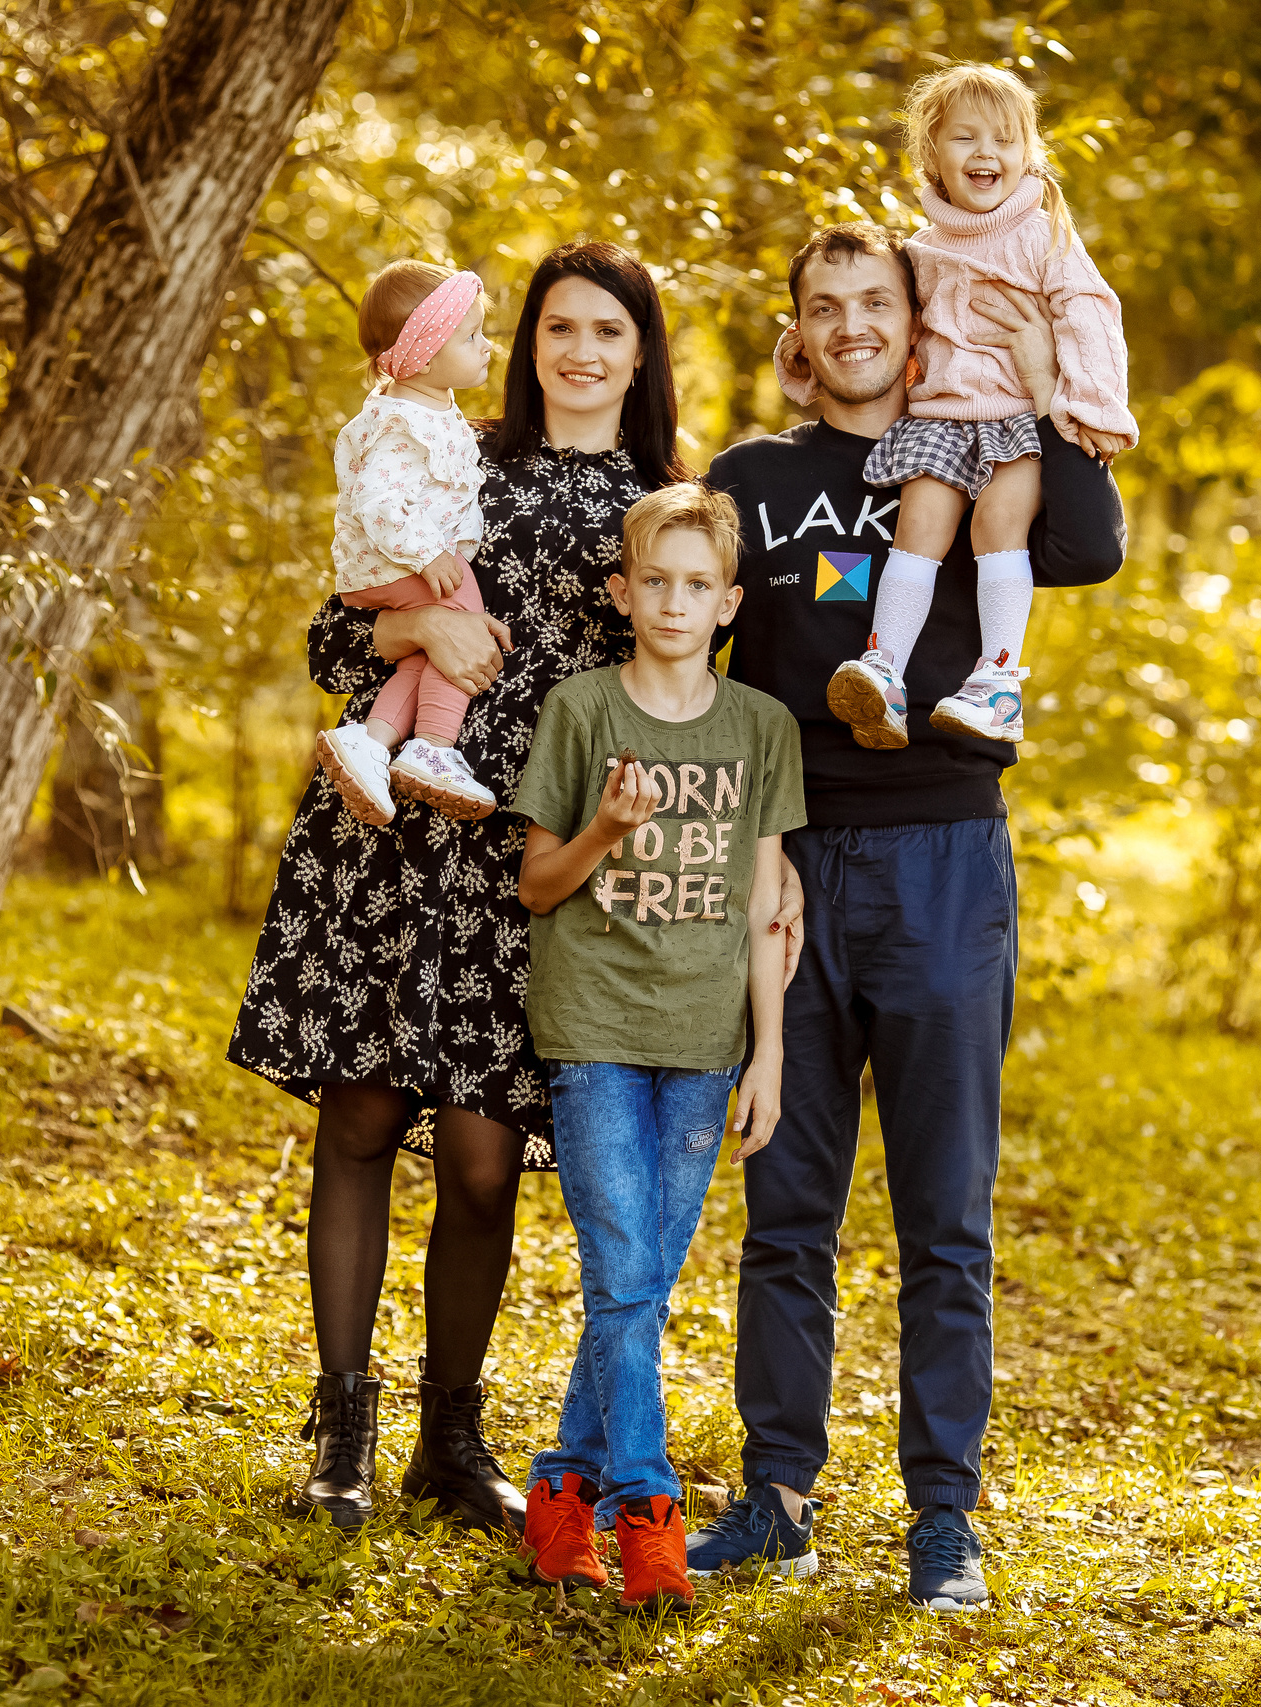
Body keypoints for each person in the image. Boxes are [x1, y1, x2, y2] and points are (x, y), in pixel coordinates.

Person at [232, 242, 761, 1536]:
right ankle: (342, 1427)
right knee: (360, 1113)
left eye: (610, 332)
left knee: (480, 1157)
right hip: (394, 819)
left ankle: (448, 1436)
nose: (582, 350)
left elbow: (689, 686)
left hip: (528, 848)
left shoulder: (668, 504)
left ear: (643, 355)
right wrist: (420, 630)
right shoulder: (442, 443)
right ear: (525, 344)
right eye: (559, 327)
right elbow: (329, 632)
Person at [687, 222, 1128, 1608]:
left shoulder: (988, 439)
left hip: (947, 853)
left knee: (947, 1214)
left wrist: (1037, 348)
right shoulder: (751, 479)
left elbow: (1095, 542)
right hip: (793, 868)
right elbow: (670, 631)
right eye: (827, 307)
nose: (855, 324)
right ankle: (779, 1493)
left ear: (915, 316)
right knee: (787, 1205)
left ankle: (944, 1511)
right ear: (798, 335)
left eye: (877, 299)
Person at [508, 483, 806, 1612]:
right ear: (620, 592)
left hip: (703, 1041)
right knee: (625, 1268)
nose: (674, 603)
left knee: (633, 1286)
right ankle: (645, 1505)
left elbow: (766, 908)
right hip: (591, 1025)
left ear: (726, 602)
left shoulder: (759, 727)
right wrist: (607, 830)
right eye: (655, 583)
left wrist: (766, 1056)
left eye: (697, 586)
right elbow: (539, 885)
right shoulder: (582, 711)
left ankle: (556, 1494)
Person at [807, 64, 1136, 752]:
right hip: (940, 418)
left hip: (1017, 417)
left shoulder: (1042, 235)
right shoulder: (921, 248)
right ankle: (884, 668)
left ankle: (998, 680)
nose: (986, 153)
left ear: (1028, 154)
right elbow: (877, 313)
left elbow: (1090, 312)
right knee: (919, 524)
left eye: (1004, 140)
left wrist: (1093, 406)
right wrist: (799, 353)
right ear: (932, 155)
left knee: (998, 523)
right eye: (965, 138)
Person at [316, 259, 501, 824]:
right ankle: (434, 748)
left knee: (423, 658)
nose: (487, 346)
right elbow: (377, 499)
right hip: (399, 564)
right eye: (470, 336)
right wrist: (430, 553)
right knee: (463, 618)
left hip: (393, 569)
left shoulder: (425, 405)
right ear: (423, 353)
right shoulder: (403, 422)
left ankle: (371, 742)